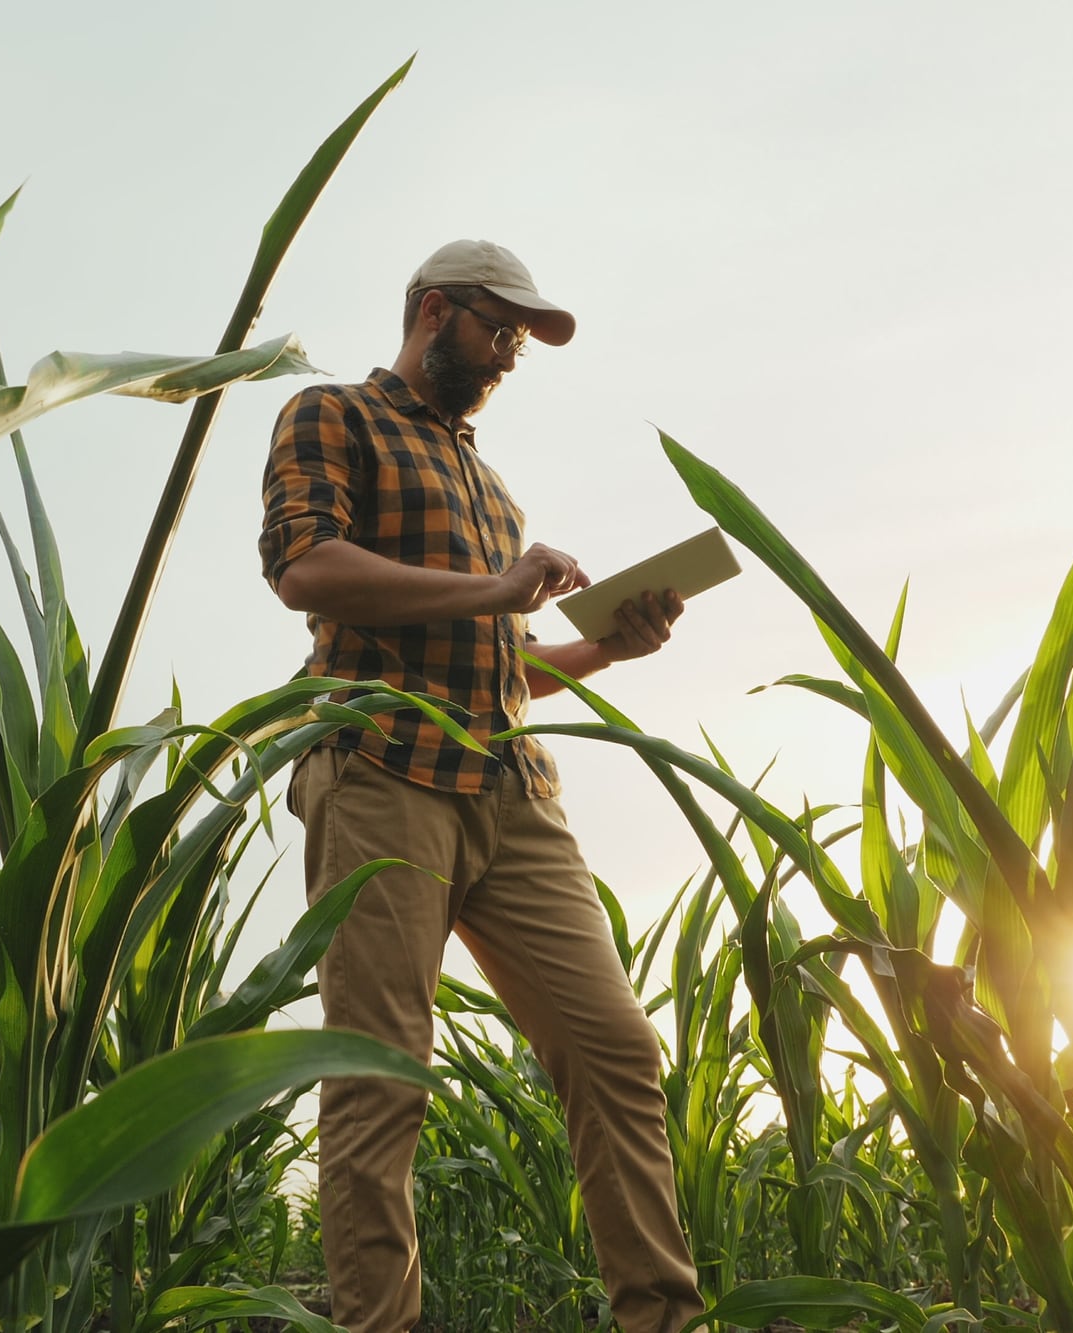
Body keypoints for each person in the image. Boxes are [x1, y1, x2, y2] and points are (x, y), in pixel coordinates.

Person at [259, 238, 704, 1333]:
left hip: (510, 788)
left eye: (519, 337)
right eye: (496, 328)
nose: (508, 354)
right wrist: (495, 586)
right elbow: (302, 566)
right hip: (379, 773)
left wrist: (607, 648)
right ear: (430, 310)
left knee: (614, 1047)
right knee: (380, 1073)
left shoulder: (489, 488)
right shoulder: (332, 416)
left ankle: (661, 1317)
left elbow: (502, 658)